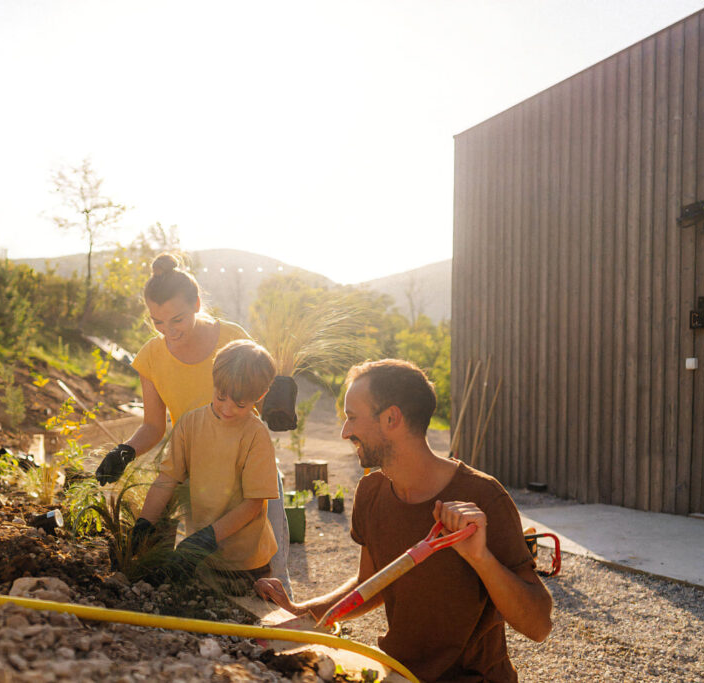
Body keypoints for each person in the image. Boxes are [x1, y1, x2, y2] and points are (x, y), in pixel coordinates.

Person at [255, 359, 552, 682]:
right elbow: (372, 583)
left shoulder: (484, 497)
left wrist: (480, 557)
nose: (344, 432)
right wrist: (305, 611)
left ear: (391, 418)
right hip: (399, 673)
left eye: (352, 418)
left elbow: (539, 626)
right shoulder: (371, 491)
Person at [93, 253, 293, 595]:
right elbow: (155, 427)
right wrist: (125, 452)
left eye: (177, 319)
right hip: (200, 469)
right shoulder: (151, 357)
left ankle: (284, 622)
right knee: (214, 561)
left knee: (271, 563)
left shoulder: (231, 336)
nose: (169, 331)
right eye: (157, 322)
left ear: (197, 303)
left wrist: (279, 396)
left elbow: (256, 388)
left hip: (246, 463)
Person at [132, 340, 279, 588]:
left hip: (246, 563)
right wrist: (145, 522)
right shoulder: (190, 424)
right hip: (202, 557)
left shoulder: (256, 435)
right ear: (214, 382)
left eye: (240, 404)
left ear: (260, 396)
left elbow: (254, 504)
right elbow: (167, 478)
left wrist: (208, 538)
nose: (228, 409)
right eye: (221, 397)